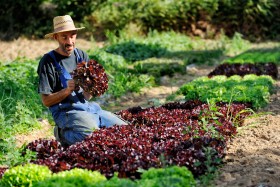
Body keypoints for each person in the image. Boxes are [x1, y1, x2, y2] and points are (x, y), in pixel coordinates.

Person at [37, 15, 128, 146]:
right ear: (56, 37)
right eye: (64, 37)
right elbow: (46, 101)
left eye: (72, 35)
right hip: (67, 112)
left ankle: (87, 125)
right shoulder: (48, 61)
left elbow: (86, 96)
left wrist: (93, 86)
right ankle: (63, 134)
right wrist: (67, 90)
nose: (69, 41)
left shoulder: (81, 55)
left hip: (89, 109)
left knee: (124, 131)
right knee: (95, 139)